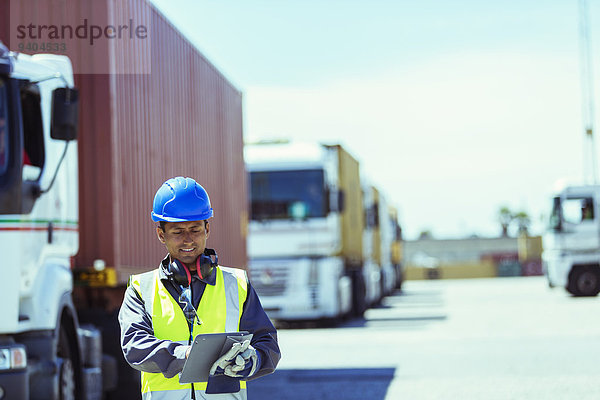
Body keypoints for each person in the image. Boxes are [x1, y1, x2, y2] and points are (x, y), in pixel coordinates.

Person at [119, 176, 281, 400]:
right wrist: (185, 355)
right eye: (177, 232)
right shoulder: (141, 289)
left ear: (207, 229)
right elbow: (135, 346)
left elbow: (268, 343)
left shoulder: (238, 284)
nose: (188, 240)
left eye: (195, 229)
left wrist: (253, 359)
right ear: (161, 234)